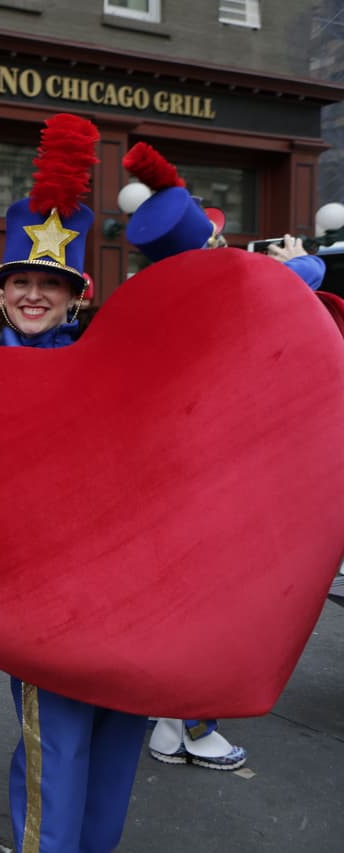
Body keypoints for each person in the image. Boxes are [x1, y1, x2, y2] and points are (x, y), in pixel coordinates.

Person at [121, 141, 328, 772]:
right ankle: (194, 724)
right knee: (210, 606)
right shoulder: (219, 293)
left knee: (172, 601)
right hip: (210, 481)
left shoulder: (146, 301)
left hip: (163, 480)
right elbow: (304, 279)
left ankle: (166, 721)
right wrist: (300, 259)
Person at [0, 113, 149, 852]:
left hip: (134, 586)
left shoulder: (120, 358)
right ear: (3, 289)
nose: (35, 296)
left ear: (76, 293)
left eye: (52, 283)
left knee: (119, 744)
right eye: (23, 282)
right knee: (57, 749)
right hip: (41, 593)